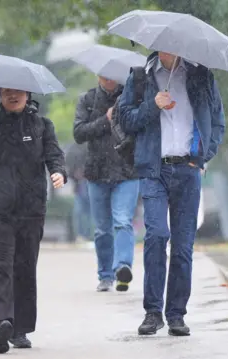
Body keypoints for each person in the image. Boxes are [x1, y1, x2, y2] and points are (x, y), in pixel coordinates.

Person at [118, 51, 225, 336]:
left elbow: (217, 120)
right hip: (154, 169)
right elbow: (124, 119)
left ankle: (176, 314)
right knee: (156, 235)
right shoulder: (141, 77)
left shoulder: (201, 76)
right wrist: (152, 106)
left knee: (182, 246)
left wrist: (203, 156)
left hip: (188, 170)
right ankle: (153, 312)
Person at [0, 88, 67, 354]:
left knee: (24, 266)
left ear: (28, 94)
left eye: (17, 91)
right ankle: (0, 323)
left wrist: (59, 173)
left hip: (30, 210)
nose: (12, 96)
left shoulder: (42, 125)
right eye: (7, 91)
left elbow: (54, 155)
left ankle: (19, 329)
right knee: (0, 266)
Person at [73, 76, 140, 292]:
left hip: (127, 171)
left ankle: (123, 267)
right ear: (98, 75)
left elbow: (141, 127)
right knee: (102, 229)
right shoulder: (88, 100)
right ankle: (105, 275)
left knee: (122, 221)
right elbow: (79, 133)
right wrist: (106, 119)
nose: (108, 78)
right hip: (97, 172)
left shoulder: (130, 98)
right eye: (104, 73)